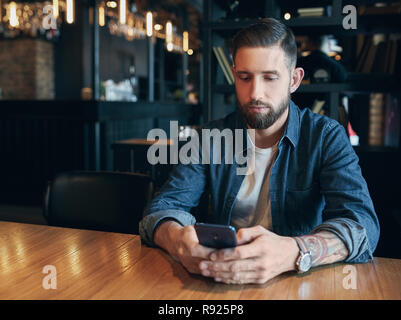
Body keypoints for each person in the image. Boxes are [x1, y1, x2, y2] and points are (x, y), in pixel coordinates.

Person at [139, 18, 379, 284]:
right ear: (234, 75)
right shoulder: (210, 137)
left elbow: (362, 226)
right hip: (221, 280)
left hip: (296, 282)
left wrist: (295, 251)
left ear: (294, 79)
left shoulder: (326, 136)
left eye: (270, 77)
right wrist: (177, 241)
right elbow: (162, 209)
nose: (256, 93)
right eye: (245, 77)